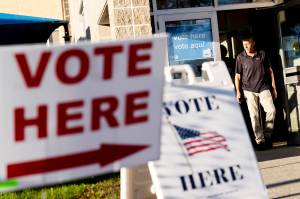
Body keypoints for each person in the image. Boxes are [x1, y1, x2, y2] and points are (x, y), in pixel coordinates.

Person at [235, 34, 276, 150]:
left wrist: (274, 88)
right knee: (254, 116)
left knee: (271, 110)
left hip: (263, 87)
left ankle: (267, 135)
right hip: (248, 90)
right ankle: (260, 141)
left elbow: (270, 72)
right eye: (244, 45)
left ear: (253, 42)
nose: (246, 47)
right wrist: (238, 92)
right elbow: (237, 76)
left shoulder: (262, 54)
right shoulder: (240, 57)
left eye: (248, 44)